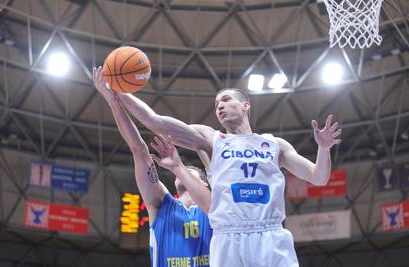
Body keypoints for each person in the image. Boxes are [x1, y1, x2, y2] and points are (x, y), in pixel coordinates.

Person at [93, 66, 342, 267]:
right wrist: (118, 90)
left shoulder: (275, 144)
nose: (219, 105)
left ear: (245, 105)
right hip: (228, 236)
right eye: (215, 104)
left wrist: (324, 148)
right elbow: (155, 122)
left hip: (271, 234)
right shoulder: (212, 140)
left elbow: (318, 177)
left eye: (225, 99)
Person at [92, 68, 212, 267]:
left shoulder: (217, 207)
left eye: (190, 172)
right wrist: (113, 101)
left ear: (205, 182)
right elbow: (139, 150)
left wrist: (179, 166)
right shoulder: (161, 203)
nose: (181, 175)